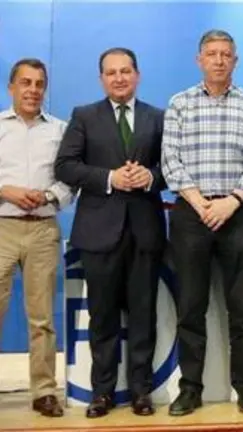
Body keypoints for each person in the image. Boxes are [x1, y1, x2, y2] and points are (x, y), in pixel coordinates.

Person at [161, 29, 243, 416]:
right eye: (212, 54)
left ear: (235, 61)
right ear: (199, 60)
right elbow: (170, 159)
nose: (219, 60)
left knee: (242, 309)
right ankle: (190, 389)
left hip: (237, 214)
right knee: (191, 307)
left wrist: (231, 201)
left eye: (226, 54)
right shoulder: (179, 104)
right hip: (191, 215)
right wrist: (199, 202)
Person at [55, 48, 166, 417]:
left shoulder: (158, 117)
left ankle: (141, 392)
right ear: (101, 78)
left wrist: (150, 176)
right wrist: (109, 178)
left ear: (137, 75)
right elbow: (65, 166)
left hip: (145, 232)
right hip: (99, 233)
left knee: (143, 316)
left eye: (125, 71)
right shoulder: (84, 116)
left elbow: (173, 168)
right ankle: (101, 393)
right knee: (102, 318)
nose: (119, 78)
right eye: (111, 72)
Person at [0, 58, 72, 418]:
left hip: (43, 229)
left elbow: (70, 179)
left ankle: (44, 391)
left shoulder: (60, 130)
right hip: (2, 227)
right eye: (25, 83)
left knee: (42, 317)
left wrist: (47, 196)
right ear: (11, 87)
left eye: (39, 84)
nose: (32, 90)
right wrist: (6, 191)